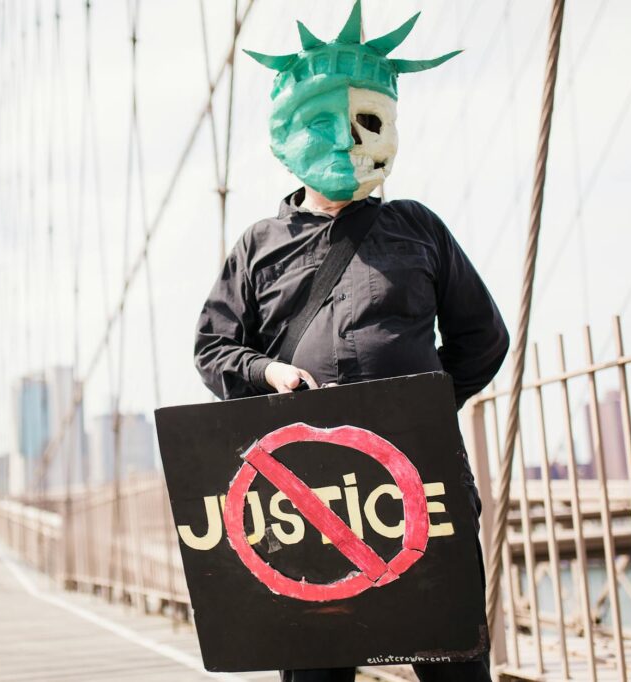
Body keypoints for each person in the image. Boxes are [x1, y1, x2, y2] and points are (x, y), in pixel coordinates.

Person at [194, 3, 508, 681]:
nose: (344, 141)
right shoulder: (258, 246)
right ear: (287, 134)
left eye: (365, 122)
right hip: (308, 496)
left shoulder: (417, 227)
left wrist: (416, 409)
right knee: (316, 667)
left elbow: (482, 337)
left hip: (417, 483)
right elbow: (214, 348)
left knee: (450, 657)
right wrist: (270, 373)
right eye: (319, 124)